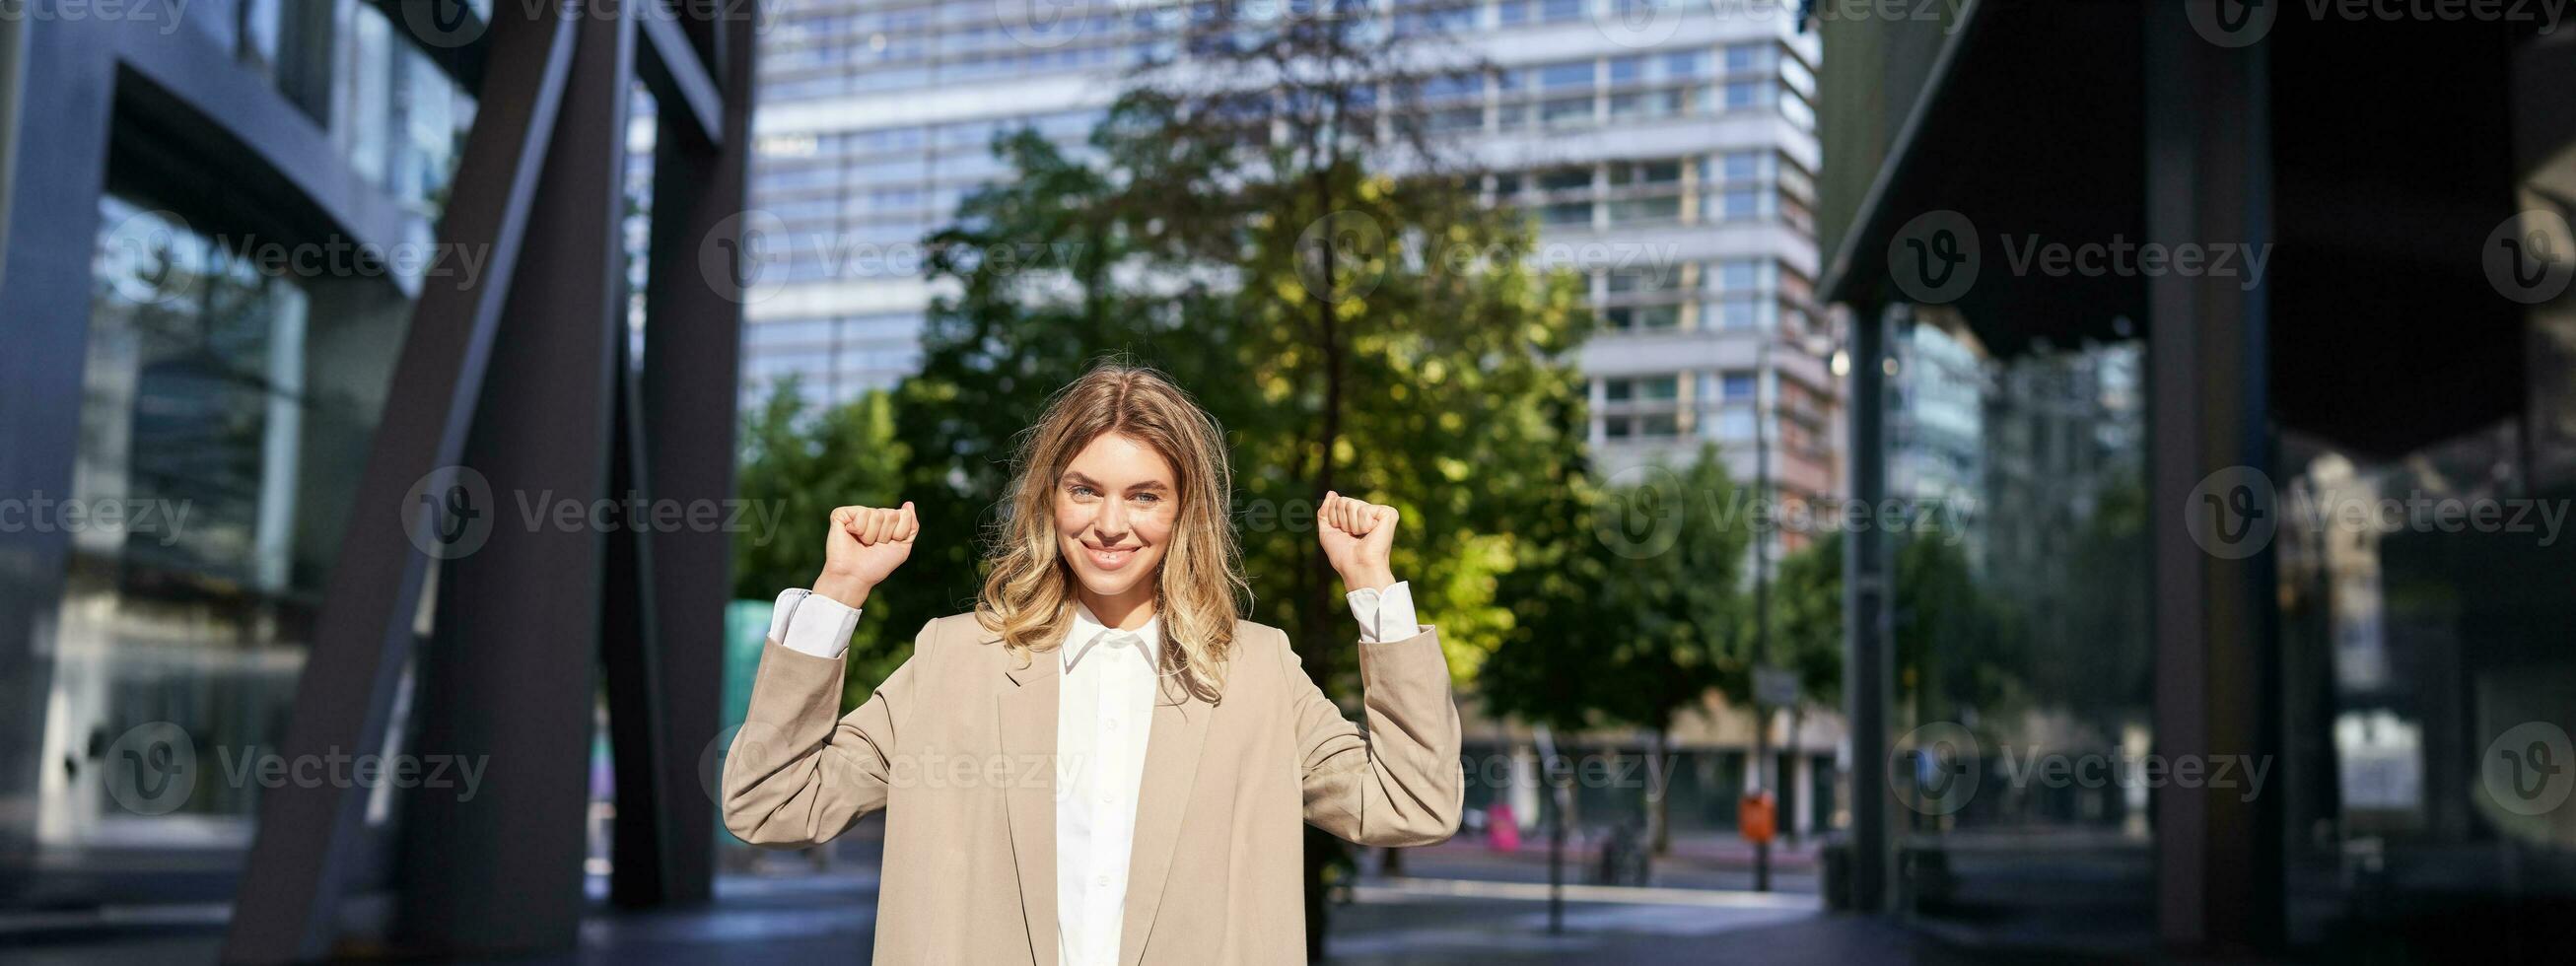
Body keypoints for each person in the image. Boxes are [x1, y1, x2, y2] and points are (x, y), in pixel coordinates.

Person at [722, 363, 1463, 965]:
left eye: (1144, 496)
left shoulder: (1257, 670)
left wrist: (1372, 586)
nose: (1110, 524)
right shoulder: (956, 659)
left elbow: (1413, 803)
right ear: (1050, 500)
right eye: (1084, 490)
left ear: (1183, 512)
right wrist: (839, 592)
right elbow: (772, 804)